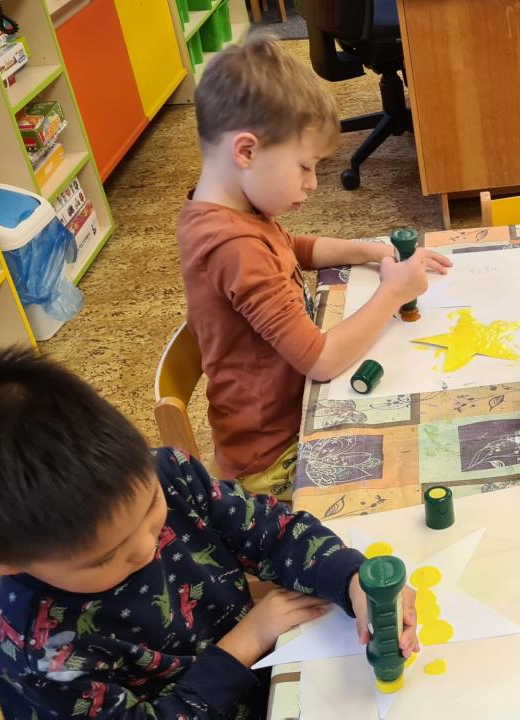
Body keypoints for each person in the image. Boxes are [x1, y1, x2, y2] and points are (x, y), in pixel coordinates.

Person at [0, 349, 421, 718]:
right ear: (4, 564)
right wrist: (245, 642)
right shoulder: (42, 658)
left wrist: (351, 579)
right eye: (105, 558)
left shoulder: (169, 475)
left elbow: (273, 532)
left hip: (265, 675)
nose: (147, 546)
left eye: (151, 511)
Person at [178, 34, 451, 498]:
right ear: (246, 152)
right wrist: (393, 293)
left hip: (285, 414)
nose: (313, 183)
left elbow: (293, 248)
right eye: (305, 166)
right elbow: (321, 361)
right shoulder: (233, 246)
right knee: (413, 464)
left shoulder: (232, 212)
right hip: (274, 459)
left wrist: (370, 252)